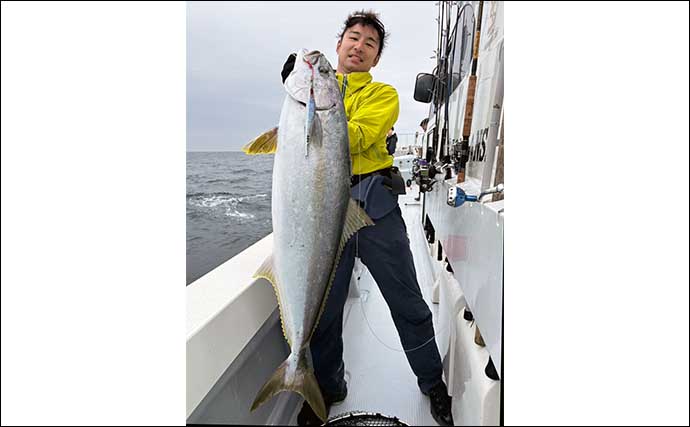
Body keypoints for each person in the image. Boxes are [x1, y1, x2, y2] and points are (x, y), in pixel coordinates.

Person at [281, 10, 453, 426]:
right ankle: (327, 386)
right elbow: (295, 148)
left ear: (375, 59)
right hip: (325, 211)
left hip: (374, 206)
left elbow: (353, 136)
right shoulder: (308, 95)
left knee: (408, 302)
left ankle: (432, 382)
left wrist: (316, 107)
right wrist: (296, 93)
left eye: (369, 44)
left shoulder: (384, 95)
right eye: (353, 38)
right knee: (324, 309)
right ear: (339, 43)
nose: (359, 47)